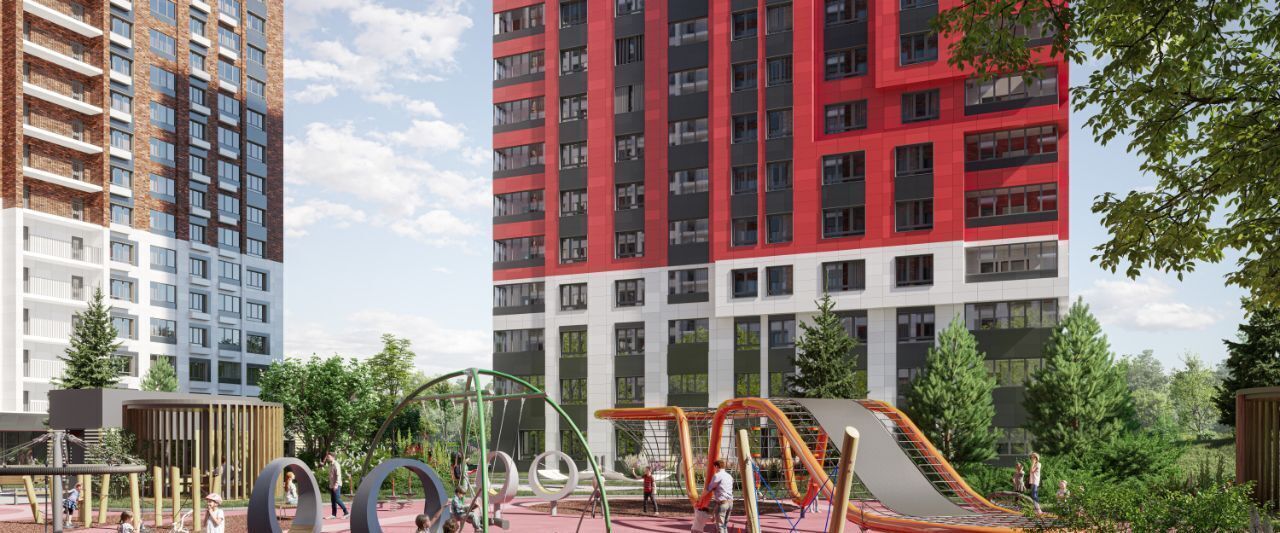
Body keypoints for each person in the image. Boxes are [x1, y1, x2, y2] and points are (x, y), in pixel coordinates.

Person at [698, 460, 733, 533]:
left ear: (716, 466)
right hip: (730, 502)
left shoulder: (717, 476)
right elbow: (725, 487)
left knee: (720, 526)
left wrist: (700, 498)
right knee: (724, 525)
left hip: (722, 502)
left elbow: (709, 489)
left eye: (714, 467)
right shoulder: (729, 476)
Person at [324, 453, 350, 519]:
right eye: (327, 457)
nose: (328, 458)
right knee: (333, 500)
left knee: (337, 499)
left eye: (329, 457)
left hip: (336, 485)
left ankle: (346, 512)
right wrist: (331, 485)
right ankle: (333, 515)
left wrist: (336, 484)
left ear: (333, 457)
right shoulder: (330, 465)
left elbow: (338, 475)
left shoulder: (336, 464)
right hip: (332, 485)